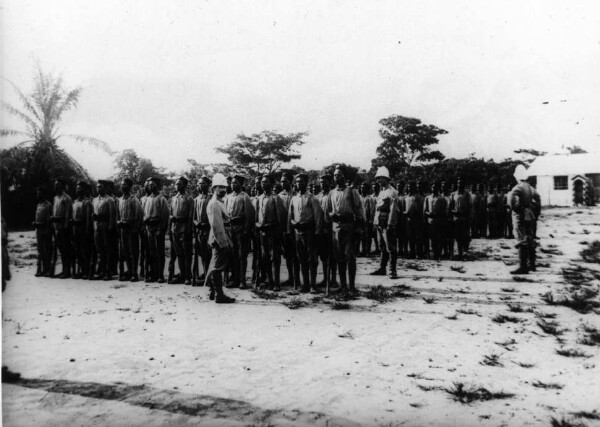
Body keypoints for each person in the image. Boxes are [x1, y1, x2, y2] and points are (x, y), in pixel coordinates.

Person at [325, 167, 365, 296]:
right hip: (336, 228)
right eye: (335, 175)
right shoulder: (331, 193)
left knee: (350, 257)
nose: (337, 177)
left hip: (349, 227)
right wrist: (331, 216)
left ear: (344, 177)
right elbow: (328, 210)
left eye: (340, 175)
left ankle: (351, 287)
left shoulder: (351, 191)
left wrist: (359, 227)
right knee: (339, 258)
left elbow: (359, 209)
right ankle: (343, 286)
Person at [288, 173, 324, 293]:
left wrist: (318, 232)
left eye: (302, 182)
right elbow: (291, 216)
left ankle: (313, 285)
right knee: (301, 259)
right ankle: (305, 285)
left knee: (312, 259)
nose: (299, 184)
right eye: (297, 181)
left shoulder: (312, 198)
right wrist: (293, 224)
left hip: (310, 232)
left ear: (306, 183)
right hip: (298, 232)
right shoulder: (294, 198)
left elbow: (318, 217)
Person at [205, 173, 236, 303]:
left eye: (224, 187)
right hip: (219, 239)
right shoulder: (214, 204)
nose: (223, 190)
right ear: (213, 189)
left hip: (222, 237)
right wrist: (224, 243)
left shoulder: (220, 202)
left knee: (215, 265)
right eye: (220, 187)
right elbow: (217, 226)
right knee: (217, 267)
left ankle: (212, 292)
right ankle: (219, 294)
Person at [254, 174, 286, 291]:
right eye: (262, 182)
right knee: (265, 257)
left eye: (266, 182)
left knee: (275, 258)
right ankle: (270, 281)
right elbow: (256, 219)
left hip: (273, 232)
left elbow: (281, 219)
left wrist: (274, 229)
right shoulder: (259, 199)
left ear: (271, 184)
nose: (263, 184)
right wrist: (259, 226)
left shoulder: (276, 198)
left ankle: (276, 283)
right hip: (262, 233)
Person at [224, 174, 254, 289]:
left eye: (236, 183)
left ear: (241, 184)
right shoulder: (228, 197)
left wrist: (246, 229)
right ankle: (234, 279)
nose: (233, 185)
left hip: (241, 229)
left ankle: (242, 280)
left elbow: (249, 215)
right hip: (230, 230)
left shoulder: (244, 196)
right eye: (232, 183)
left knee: (242, 255)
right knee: (233, 255)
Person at [508, 165, 539, 274]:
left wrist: (517, 210)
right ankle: (532, 264)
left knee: (521, 239)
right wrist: (535, 212)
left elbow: (511, 202)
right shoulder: (530, 188)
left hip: (520, 216)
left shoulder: (517, 188)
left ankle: (523, 266)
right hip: (530, 215)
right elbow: (538, 198)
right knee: (529, 239)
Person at [370, 166, 399, 278]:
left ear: (386, 179)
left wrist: (390, 223)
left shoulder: (392, 192)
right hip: (379, 223)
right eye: (378, 179)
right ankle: (382, 268)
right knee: (382, 247)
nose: (378, 181)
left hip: (387, 223)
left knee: (390, 247)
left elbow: (393, 209)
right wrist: (375, 222)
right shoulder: (381, 192)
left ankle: (392, 270)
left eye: (380, 178)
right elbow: (378, 208)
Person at [168, 176, 194, 285]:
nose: (177, 185)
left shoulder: (189, 199)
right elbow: (170, 213)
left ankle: (188, 276)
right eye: (176, 183)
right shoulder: (174, 198)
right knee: (179, 253)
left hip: (184, 228)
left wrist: (189, 229)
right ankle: (182, 275)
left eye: (179, 184)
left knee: (187, 253)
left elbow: (191, 216)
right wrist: (170, 226)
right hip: (175, 228)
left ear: (185, 185)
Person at [143, 177, 169, 283]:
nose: (150, 186)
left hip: (158, 229)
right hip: (149, 229)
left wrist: (160, 229)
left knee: (159, 252)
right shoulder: (148, 199)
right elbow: (144, 214)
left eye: (153, 184)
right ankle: (153, 274)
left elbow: (165, 215)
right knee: (152, 252)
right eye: (149, 184)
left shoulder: (161, 199)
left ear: (157, 185)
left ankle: (160, 275)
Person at [117, 178, 144, 282]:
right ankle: (128, 271)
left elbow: (139, 215)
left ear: (130, 187)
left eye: (125, 185)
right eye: (122, 185)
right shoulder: (120, 200)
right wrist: (119, 222)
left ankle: (134, 273)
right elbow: (118, 215)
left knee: (134, 252)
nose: (123, 186)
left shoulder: (134, 199)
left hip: (132, 229)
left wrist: (135, 228)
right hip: (123, 229)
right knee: (126, 252)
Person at [92, 180, 117, 280]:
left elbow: (112, 214)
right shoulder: (94, 200)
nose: (99, 189)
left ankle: (108, 271)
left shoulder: (109, 200)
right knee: (99, 250)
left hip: (106, 227)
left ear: (105, 188)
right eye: (97, 187)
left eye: (101, 187)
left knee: (107, 250)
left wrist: (111, 226)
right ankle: (101, 271)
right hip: (97, 227)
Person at [278, 171, 298, 288]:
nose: (282, 183)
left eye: (284, 181)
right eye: (281, 181)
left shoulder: (295, 194)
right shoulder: (279, 196)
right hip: (283, 230)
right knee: (288, 255)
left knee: (296, 256)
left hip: (294, 229)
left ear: (290, 181)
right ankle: (290, 277)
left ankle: (296, 279)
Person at [50, 178, 73, 278]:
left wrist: (66, 226)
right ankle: (63, 270)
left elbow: (68, 214)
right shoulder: (55, 198)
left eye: (58, 184)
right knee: (61, 250)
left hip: (64, 228)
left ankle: (67, 271)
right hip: (56, 228)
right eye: (55, 184)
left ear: (62, 186)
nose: (56, 186)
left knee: (66, 250)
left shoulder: (67, 198)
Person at [316, 174, 334, 290]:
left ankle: (333, 279)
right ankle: (325, 279)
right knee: (323, 255)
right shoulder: (317, 196)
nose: (323, 184)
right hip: (321, 228)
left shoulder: (332, 194)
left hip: (331, 228)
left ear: (329, 182)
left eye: (325, 182)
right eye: (321, 182)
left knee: (333, 255)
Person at [192, 175, 212, 286]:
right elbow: (194, 218)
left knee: (209, 254)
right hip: (199, 231)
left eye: (203, 183)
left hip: (209, 231)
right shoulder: (196, 200)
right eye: (199, 183)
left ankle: (210, 276)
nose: (201, 185)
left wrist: (207, 224)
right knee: (202, 254)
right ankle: (205, 274)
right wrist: (197, 223)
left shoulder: (211, 198)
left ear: (208, 185)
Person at [71, 181, 93, 279]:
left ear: (84, 190)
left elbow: (88, 218)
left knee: (85, 251)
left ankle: (86, 271)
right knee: (78, 251)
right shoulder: (75, 202)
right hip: (75, 229)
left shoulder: (87, 202)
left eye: (79, 188)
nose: (77, 190)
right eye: (77, 188)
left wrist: (87, 230)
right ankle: (80, 270)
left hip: (84, 229)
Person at [424, 182, 448, 261]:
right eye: (433, 187)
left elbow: (445, 210)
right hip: (431, 221)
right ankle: (434, 254)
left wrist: (439, 214)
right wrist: (429, 213)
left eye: (435, 188)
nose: (434, 189)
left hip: (439, 221)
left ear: (438, 189)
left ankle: (439, 254)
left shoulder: (441, 198)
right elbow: (425, 210)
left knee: (440, 238)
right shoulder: (428, 198)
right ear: (431, 188)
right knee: (433, 238)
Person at [33, 186, 53, 277]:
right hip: (39, 231)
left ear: (43, 194)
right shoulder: (38, 205)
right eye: (37, 193)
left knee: (46, 251)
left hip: (45, 231)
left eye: (39, 193)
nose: (38, 195)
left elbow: (49, 220)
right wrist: (35, 224)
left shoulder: (48, 205)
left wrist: (47, 230)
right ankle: (40, 270)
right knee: (40, 251)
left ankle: (47, 270)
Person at [449, 179, 471, 260]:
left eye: (461, 183)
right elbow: (450, 207)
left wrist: (468, 218)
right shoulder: (452, 194)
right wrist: (454, 212)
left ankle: (462, 254)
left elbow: (470, 207)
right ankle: (454, 254)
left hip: (464, 219)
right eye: (458, 183)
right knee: (456, 237)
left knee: (464, 237)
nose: (459, 185)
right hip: (455, 219)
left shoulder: (467, 194)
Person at [403, 181, 423, 259]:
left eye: (411, 187)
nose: (409, 188)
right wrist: (405, 213)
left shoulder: (418, 197)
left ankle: (419, 253)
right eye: (408, 187)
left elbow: (419, 209)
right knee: (410, 237)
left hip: (416, 220)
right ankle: (412, 253)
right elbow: (403, 208)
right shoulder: (406, 197)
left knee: (417, 237)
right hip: (408, 220)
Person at [139, 178, 152, 279]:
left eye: (148, 185)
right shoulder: (142, 199)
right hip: (142, 228)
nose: (146, 187)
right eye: (145, 185)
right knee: (142, 250)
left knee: (149, 251)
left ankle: (149, 270)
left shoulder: (152, 199)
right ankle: (142, 269)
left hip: (150, 227)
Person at [358, 182, 375, 256]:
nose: (362, 189)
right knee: (361, 236)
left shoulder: (370, 198)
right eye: (361, 187)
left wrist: (371, 219)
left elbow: (372, 209)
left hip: (367, 220)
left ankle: (367, 251)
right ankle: (362, 251)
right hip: (360, 220)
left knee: (367, 236)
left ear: (367, 189)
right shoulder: (358, 197)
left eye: (364, 188)